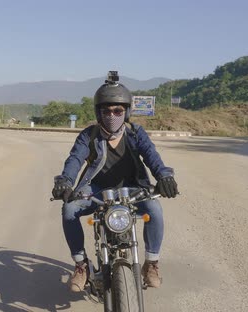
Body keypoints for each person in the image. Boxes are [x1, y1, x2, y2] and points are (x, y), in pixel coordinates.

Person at [52, 72, 179, 293]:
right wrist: (65, 181)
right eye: (106, 110)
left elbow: (152, 157)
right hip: (96, 189)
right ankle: (82, 265)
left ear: (126, 111)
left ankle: (151, 263)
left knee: (155, 209)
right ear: (98, 112)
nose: (112, 115)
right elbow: (74, 159)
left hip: (132, 189)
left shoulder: (136, 134)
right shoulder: (88, 135)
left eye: (118, 110)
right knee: (69, 209)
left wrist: (165, 177)